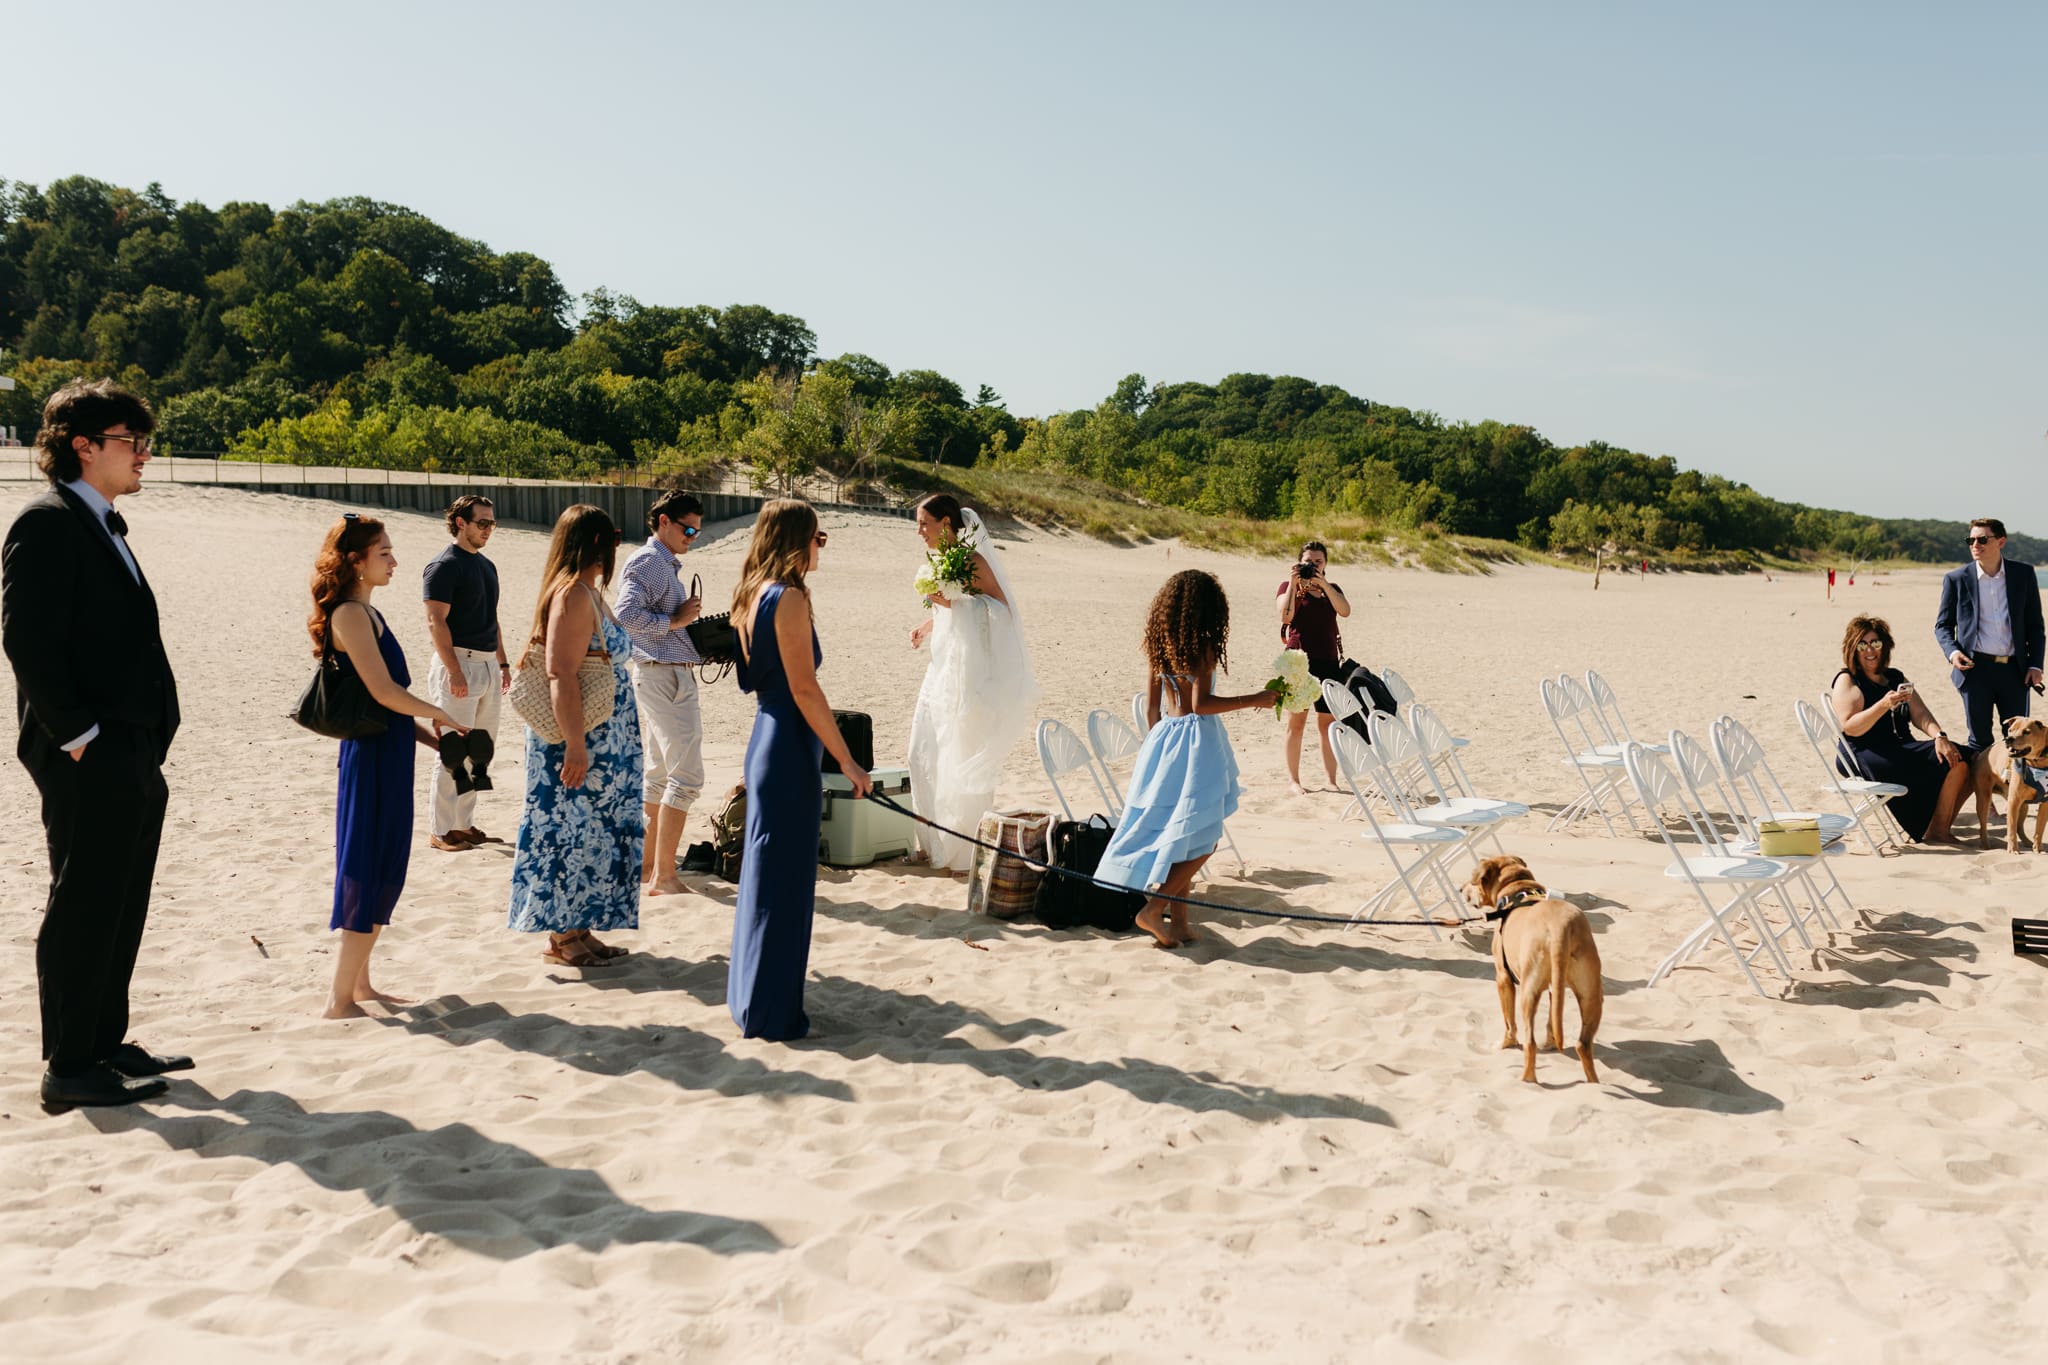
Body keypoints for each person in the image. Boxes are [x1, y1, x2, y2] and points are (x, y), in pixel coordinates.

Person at [2, 379, 187, 1113]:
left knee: (122, 898)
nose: (144, 454)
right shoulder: (45, 523)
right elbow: (27, 641)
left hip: (134, 748)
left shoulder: (101, 521)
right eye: (129, 442)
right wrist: (78, 735)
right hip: (90, 751)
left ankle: (106, 1040)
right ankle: (70, 1061)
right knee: (84, 901)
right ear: (81, 446)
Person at [728, 500, 871, 1040]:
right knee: (782, 882)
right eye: (819, 537)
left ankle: (753, 1001)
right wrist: (848, 759)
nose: (821, 546)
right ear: (796, 540)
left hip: (770, 738)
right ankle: (770, 1012)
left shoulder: (751, 592)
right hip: (787, 743)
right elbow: (804, 689)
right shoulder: (786, 598)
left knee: (766, 877)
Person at [313, 514, 465, 1018]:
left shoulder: (368, 613)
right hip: (370, 758)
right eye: (384, 553)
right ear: (355, 561)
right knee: (366, 867)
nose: (395, 561)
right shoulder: (350, 616)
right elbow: (383, 693)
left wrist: (432, 738)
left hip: (388, 749)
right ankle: (339, 998)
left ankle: (361, 987)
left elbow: (385, 707)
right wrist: (439, 711)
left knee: (385, 867)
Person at [1098, 570, 1277, 949]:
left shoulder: (1158, 645)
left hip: (1164, 739)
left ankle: (1179, 923)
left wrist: (1159, 750)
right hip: (1198, 743)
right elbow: (1202, 705)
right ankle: (1155, 908)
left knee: (1184, 836)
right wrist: (1255, 699)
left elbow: (1151, 709)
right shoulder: (1205, 646)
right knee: (1206, 837)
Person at [506, 505, 644, 967]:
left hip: (606, 736)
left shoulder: (589, 592)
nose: (616, 547)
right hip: (581, 736)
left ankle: (580, 926)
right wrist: (576, 744)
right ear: (596, 543)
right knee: (570, 827)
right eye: (613, 537)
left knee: (594, 830)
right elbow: (560, 674)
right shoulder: (572, 595)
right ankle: (562, 937)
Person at [906, 493, 1039, 873]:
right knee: (920, 753)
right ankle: (930, 842)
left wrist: (951, 603)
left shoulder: (973, 561)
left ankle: (962, 849)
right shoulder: (937, 560)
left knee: (959, 753)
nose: (919, 532)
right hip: (940, 666)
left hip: (969, 673)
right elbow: (948, 605)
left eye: (923, 524)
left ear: (946, 524)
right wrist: (928, 623)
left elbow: (1000, 610)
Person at [615, 490, 707, 896]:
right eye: (687, 529)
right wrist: (675, 621)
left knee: (656, 775)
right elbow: (625, 616)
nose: (692, 536)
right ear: (664, 521)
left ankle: (649, 866)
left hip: (660, 673)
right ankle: (664, 876)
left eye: (697, 531)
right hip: (663, 675)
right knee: (685, 777)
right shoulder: (650, 561)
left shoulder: (660, 563)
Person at [1831, 615, 1971, 845]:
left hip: (1899, 746)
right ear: (1852, 648)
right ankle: (1937, 830)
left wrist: (1939, 736)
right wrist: (1884, 705)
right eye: (1862, 644)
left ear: (1884, 646)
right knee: (1954, 761)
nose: (1870, 650)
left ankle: (1936, 826)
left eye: (1875, 643)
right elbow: (1850, 727)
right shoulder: (1848, 680)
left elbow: (1920, 714)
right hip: (1865, 751)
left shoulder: (1895, 677)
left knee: (1965, 756)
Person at [421, 494, 508, 853]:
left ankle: (463, 824)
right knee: (453, 751)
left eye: (492, 523)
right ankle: (440, 830)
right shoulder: (443, 565)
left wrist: (502, 663)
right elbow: (435, 621)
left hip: (487, 663)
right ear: (461, 523)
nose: (488, 529)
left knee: (480, 751)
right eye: (482, 523)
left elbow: (492, 619)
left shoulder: (486, 566)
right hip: (458, 662)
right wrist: (455, 672)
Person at [1934, 517, 2044, 754]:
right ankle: (1981, 791)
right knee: (1979, 742)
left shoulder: (2023, 574)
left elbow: (2035, 625)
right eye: (1971, 539)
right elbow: (1942, 626)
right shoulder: (1956, 579)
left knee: (2018, 741)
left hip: (2015, 672)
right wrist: (1953, 653)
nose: (1975, 544)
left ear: (2001, 541)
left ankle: (2013, 790)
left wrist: (2035, 664)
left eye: (1982, 539)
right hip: (1974, 672)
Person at [1274, 540, 1350, 794]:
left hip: (1328, 663)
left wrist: (1324, 584)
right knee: (1296, 724)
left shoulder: (1332, 588)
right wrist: (1295, 585)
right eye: (1309, 561)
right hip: (1298, 664)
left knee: (1327, 725)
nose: (1313, 565)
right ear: (1299, 562)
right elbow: (1285, 617)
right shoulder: (1288, 587)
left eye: (1318, 561)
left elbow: (1345, 611)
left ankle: (1331, 780)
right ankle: (1294, 781)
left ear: (1325, 563)